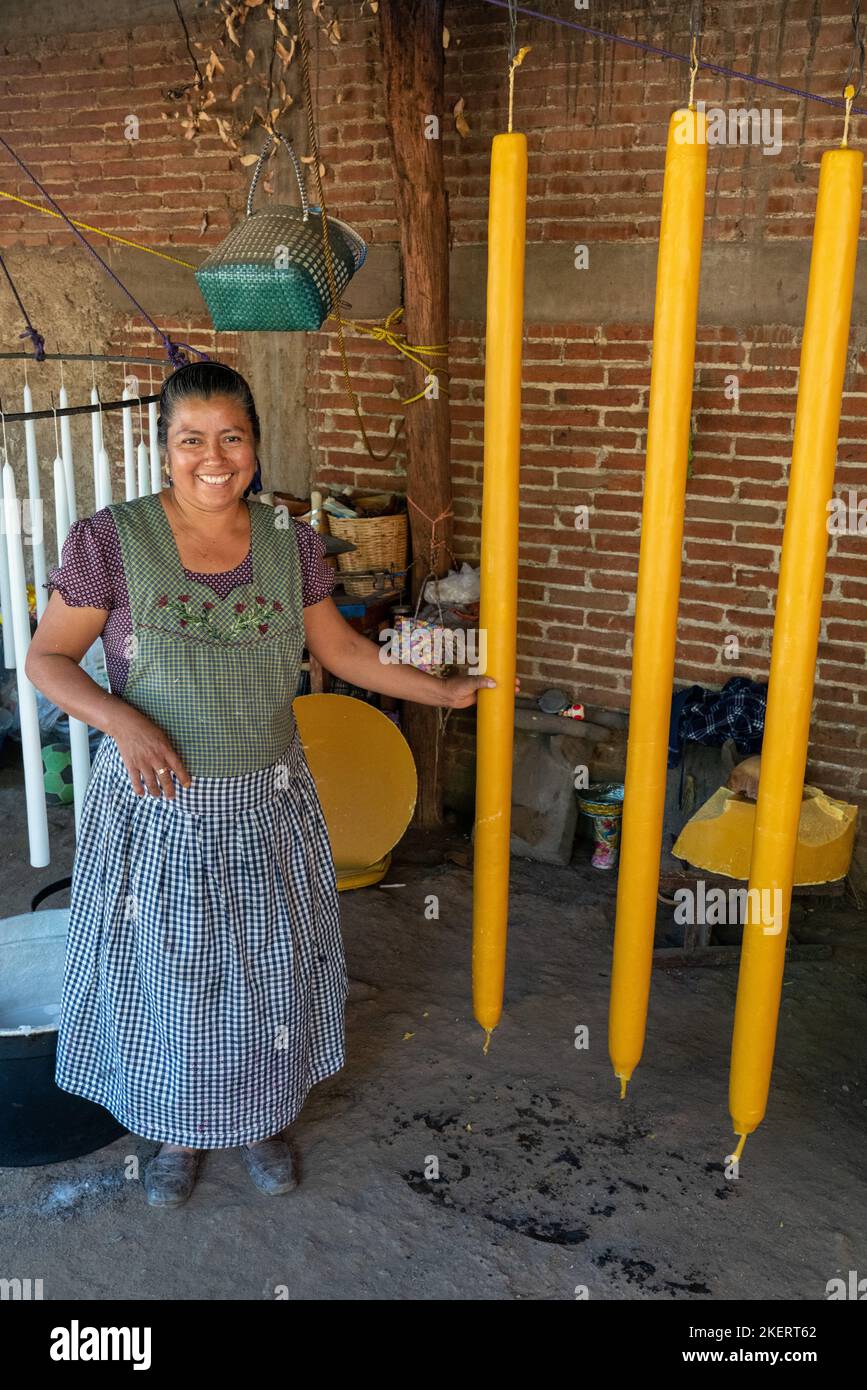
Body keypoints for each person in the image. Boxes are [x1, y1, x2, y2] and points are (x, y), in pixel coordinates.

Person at [26, 360, 498, 1209]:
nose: (214, 458)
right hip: (159, 809)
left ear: (255, 444)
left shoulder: (290, 541)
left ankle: (260, 1119)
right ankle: (175, 1128)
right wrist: (122, 722)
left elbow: (344, 654)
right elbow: (47, 659)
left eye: (232, 438)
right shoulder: (110, 540)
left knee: (266, 972)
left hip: (266, 807)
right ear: (163, 448)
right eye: (191, 440)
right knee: (173, 976)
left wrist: (443, 688)